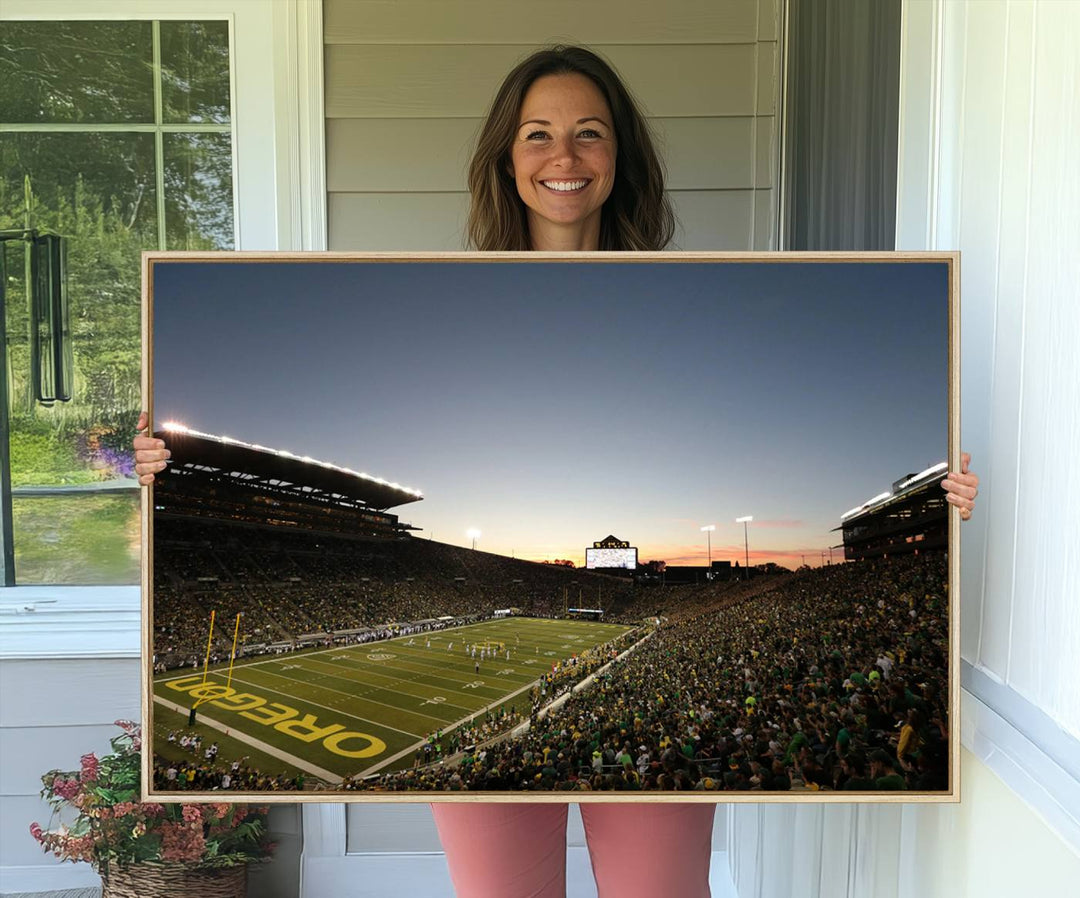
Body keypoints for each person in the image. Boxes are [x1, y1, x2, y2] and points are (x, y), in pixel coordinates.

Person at [134, 43, 980, 898]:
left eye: (589, 133)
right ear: (506, 157)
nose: (563, 157)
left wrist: (940, 508)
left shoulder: (686, 298)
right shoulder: (452, 301)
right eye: (537, 134)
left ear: (621, 157)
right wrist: (152, 469)